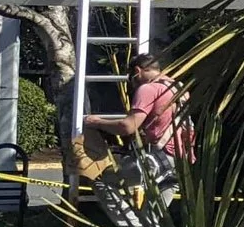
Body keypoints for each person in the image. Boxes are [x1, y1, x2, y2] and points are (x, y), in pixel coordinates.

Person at [82, 52, 191, 213]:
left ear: (138, 71)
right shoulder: (178, 88)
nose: (132, 84)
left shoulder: (148, 89)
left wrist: (96, 122)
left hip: (158, 160)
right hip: (181, 162)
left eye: (131, 78)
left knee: (99, 177)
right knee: (152, 220)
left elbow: (128, 126)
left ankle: (130, 225)